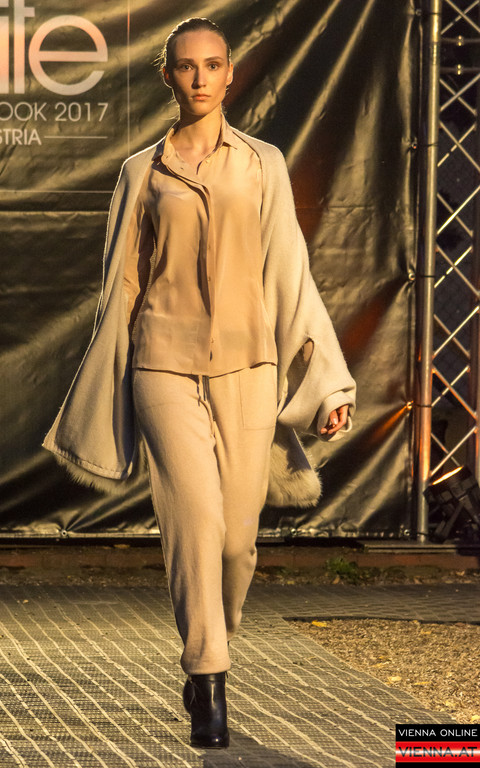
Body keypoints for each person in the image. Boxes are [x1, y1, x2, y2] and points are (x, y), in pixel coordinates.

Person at [43, 17, 356, 750]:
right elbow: (121, 286)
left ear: (230, 73)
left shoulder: (263, 164)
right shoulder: (140, 173)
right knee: (197, 521)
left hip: (249, 369)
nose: (200, 77)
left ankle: (213, 642)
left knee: (238, 545)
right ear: (168, 76)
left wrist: (327, 384)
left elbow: (290, 274)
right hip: (162, 364)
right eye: (186, 66)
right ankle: (208, 676)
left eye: (212, 64)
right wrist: (110, 378)